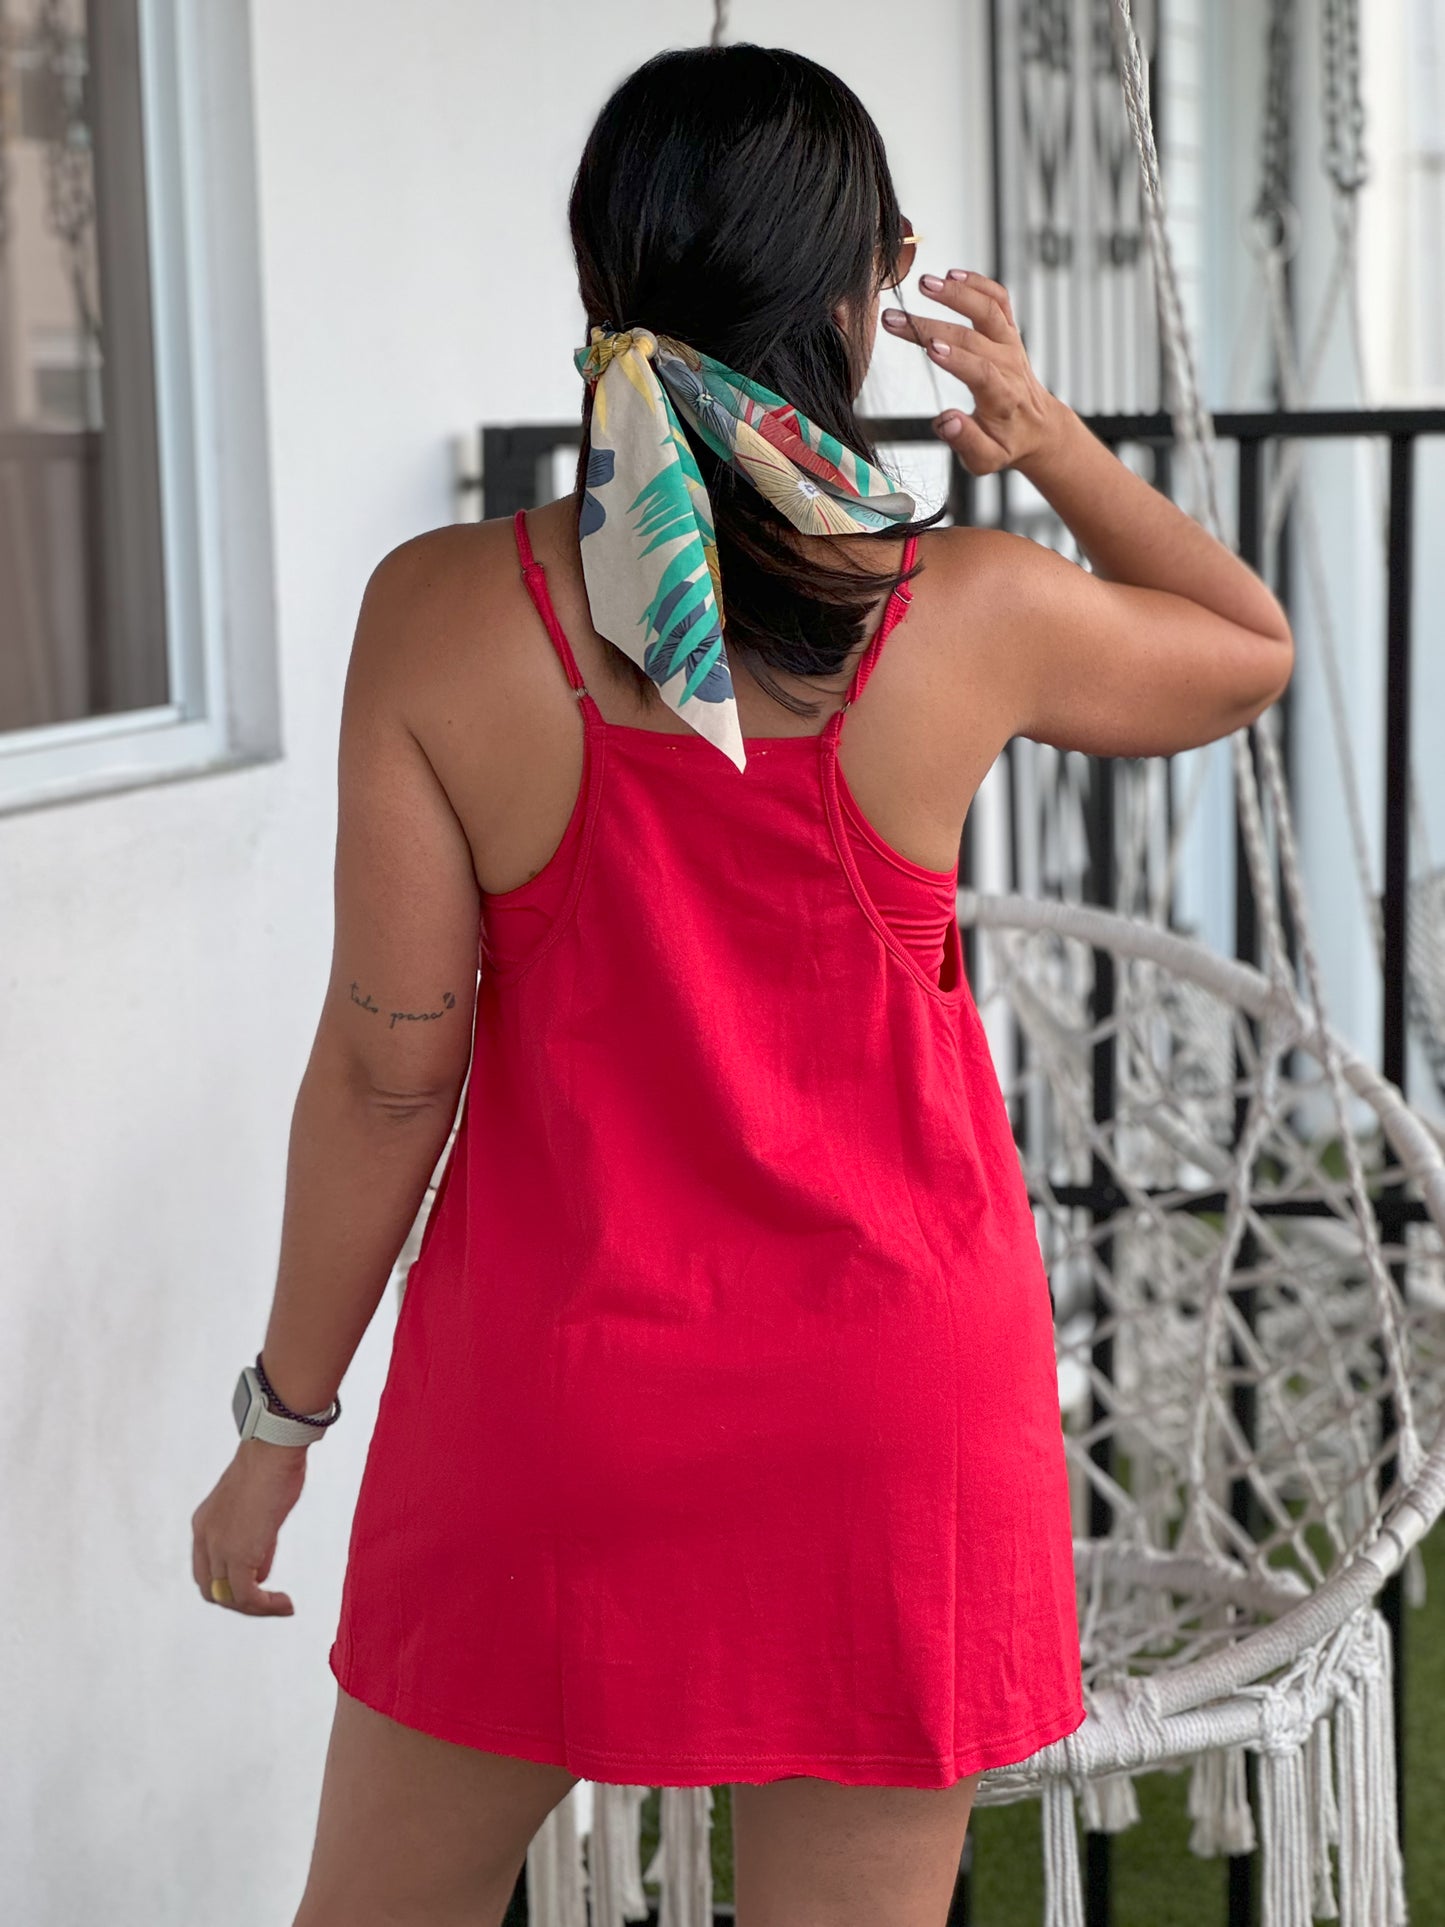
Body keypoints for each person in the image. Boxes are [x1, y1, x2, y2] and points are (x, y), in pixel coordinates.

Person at [190, 41, 1294, 1927]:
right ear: (858, 300)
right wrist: (1047, 441)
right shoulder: (964, 608)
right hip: (888, 1427)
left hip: (553, 1411)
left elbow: (387, 1083)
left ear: (595, 282)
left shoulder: (442, 612)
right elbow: (1240, 647)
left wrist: (276, 1433)